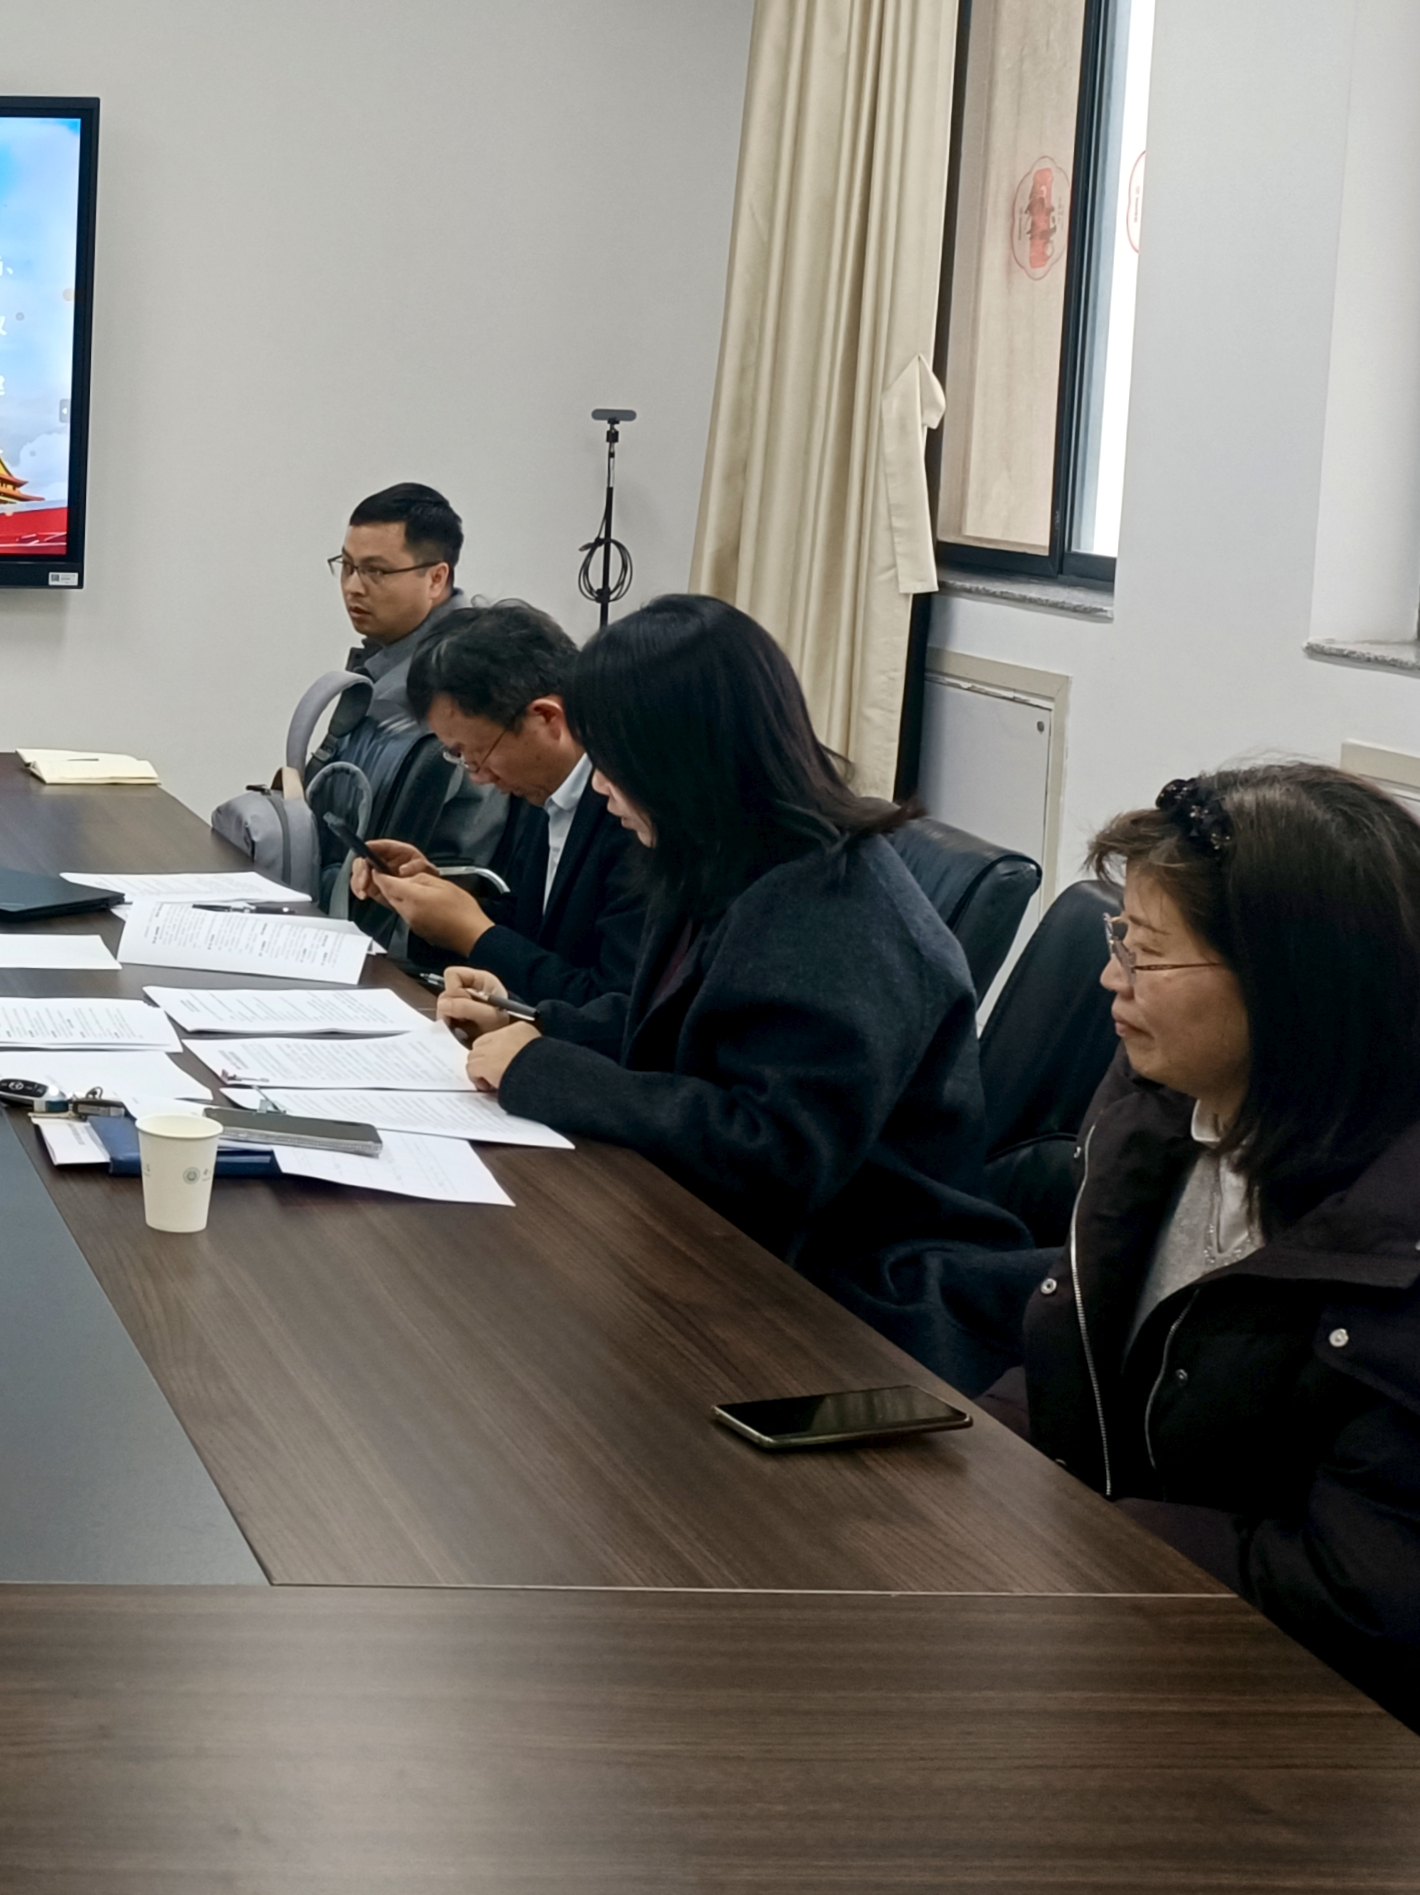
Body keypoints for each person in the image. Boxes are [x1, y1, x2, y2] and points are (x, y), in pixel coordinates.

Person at [439, 593, 1034, 1388]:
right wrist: (532, 1020)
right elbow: (683, 1027)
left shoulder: (831, 911)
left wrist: (543, 1070)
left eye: (613, 761)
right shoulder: (729, 854)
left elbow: (773, 1154)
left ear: (679, 759)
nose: (601, 786)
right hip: (736, 1237)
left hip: (843, 1286)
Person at [1015, 765, 1420, 1734]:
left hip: (1304, 1734)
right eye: (1119, 939)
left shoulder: (1402, 1240)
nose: (1111, 978)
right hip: (1131, 1641)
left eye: (1146, 954)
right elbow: (1078, 1363)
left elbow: (1360, 1595)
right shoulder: (1161, 1102)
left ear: (1292, 988)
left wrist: (1066, 1535)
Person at [347, 599, 648, 1005]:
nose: (477, 776)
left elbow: (612, 1007)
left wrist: (474, 933)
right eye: (459, 756)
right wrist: (437, 900)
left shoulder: (633, 819)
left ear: (547, 718)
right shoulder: (544, 790)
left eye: (477, 753)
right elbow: (535, 930)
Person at [303, 481, 497, 905]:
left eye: (376, 571)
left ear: (436, 578)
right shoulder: (385, 663)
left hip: (410, 916)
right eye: (347, 566)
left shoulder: (461, 679)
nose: (353, 586)